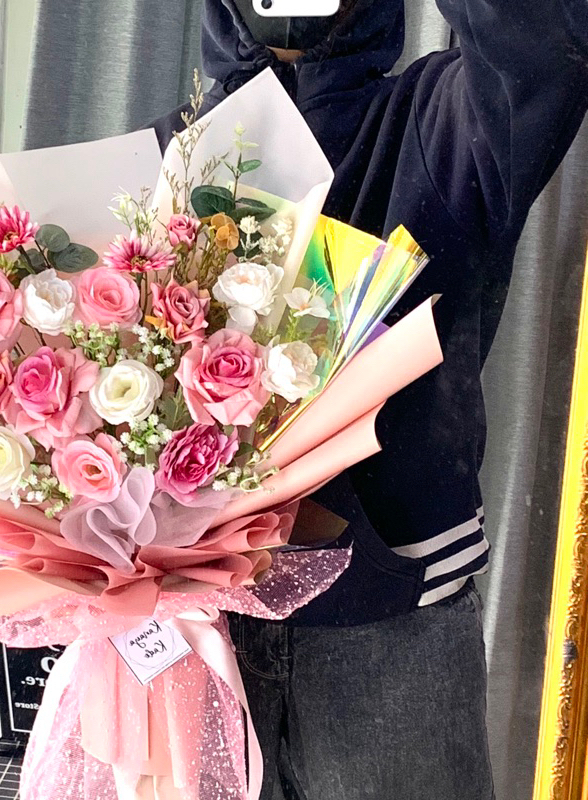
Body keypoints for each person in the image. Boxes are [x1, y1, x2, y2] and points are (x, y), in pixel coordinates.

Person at [150, 1, 588, 798]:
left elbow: (547, 45)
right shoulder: (168, 156)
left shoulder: (445, 124)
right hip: (196, 632)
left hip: (391, 633)